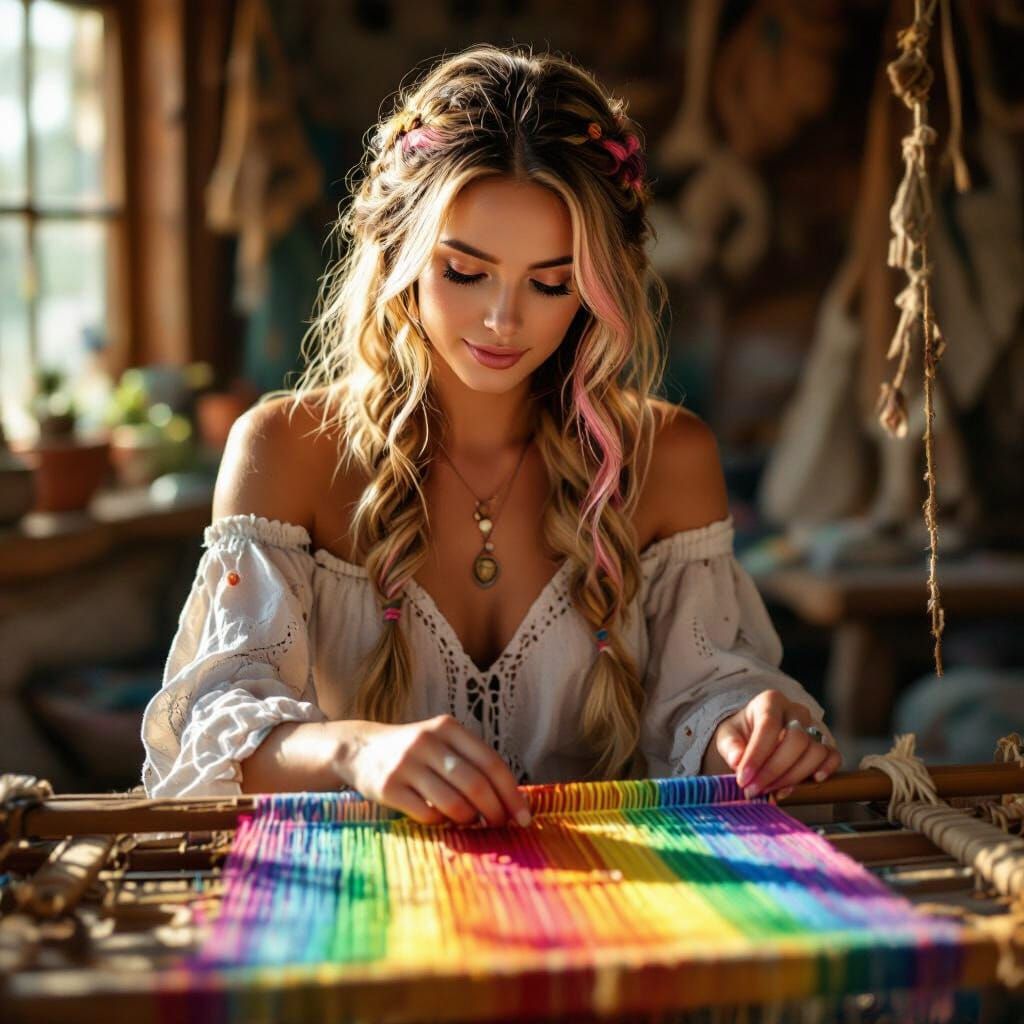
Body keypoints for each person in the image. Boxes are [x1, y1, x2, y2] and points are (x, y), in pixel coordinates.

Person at [141, 44, 839, 826]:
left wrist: (749, 731)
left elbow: (701, 704)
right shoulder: (287, 450)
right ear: (397, 253)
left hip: (615, 900)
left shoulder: (667, 460)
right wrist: (354, 751)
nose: (505, 320)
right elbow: (211, 733)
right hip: (359, 915)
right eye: (465, 271)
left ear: (600, 286)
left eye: (552, 282)